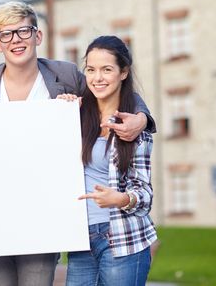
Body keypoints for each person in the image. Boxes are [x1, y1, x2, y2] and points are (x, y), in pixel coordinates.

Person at [0, 1, 155, 286]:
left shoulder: (64, 76)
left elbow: (109, 88)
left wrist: (142, 118)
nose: (16, 40)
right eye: (7, 34)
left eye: (24, 31)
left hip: (47, 218)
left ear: (38, 36)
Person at [63, 36, 157, 286]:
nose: (98, 78)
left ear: (123, 72)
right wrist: (60, 110)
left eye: (107, 69)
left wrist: (121, 199)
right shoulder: (75, 118)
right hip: (81, 239)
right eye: (91, 70)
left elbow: (145, 194)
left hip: (122, 238)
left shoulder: (135, 128)